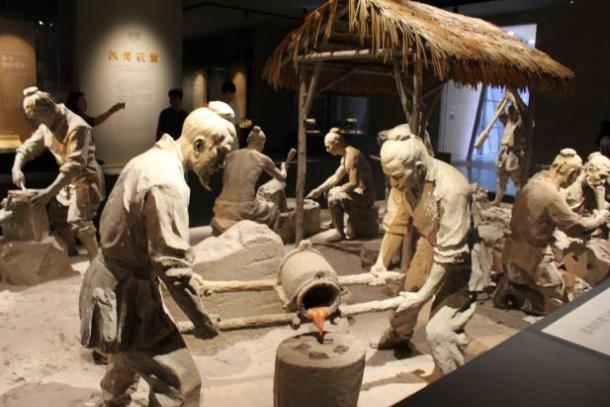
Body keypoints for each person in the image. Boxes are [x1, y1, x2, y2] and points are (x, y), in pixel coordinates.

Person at [79, 107, 235, 406]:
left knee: (126, 359)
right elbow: (170, 266)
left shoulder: (150, 159)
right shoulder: (168, 184)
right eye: (221, 154)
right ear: (199, 144)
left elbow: (144, 241)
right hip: (125, 292)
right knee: (181, 384)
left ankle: (113, 401)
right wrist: (200, 320)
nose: (222, 164)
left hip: (110, 278)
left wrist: (185, 276)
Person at [370, 127, 475, 377]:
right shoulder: (404, 182)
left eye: (397, 177)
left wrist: (422, 297)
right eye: (389, 177)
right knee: (405, 296)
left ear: (418, 169)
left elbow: (450, 253)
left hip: (462, 259)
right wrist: (381, 262)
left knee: (440, 330)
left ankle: (449, 378)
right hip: (432, 244)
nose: (393, 184)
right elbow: (397, 223)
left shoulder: (451, 190)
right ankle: (399, 335)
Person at [497, 148, 608, 315]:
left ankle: (516, 286)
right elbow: (575, 227)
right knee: (560, 299)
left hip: (515, 245)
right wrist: (599, 219)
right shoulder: (550, 194)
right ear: (572, 174)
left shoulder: (537, 178)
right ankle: (520, 297)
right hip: (532, 253)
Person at [12, 87, 104, 260]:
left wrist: (49, 192)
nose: (36, 122)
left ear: (48, 110)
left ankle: (96, 260)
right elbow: (28, 148)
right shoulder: (47, 123)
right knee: (58, 217)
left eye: (37, 118)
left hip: (85, 178)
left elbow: (74, 165)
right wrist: (16, 168)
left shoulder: (78, 126)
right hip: (66, 179)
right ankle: (71, 253)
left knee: (78, 221)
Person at [211, 125, 286, 235]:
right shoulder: (262, 158)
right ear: (262, 143)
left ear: (248, 140)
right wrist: (284, 168)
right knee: (273, 208)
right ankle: (268, 239)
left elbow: (225, 181)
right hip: (244, 208)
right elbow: (282, 178)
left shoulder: (231, 156)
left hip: (221, 205)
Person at [306, 128, 377, 241]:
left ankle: (340, 233)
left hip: (366, 195)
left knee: (334, 199)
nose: (327, 150)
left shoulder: (352, 156)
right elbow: (336, 177)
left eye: (328, 146)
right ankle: (335, 223)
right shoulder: (345, 156)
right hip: (359, 191)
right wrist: (318, 190)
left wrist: (338, 190)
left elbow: (353, 183)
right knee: (329, 190)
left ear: (336, 143)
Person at [475, 88, 530, 205]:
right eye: (509, 112)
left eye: (512, 111)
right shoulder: (508, 122)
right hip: (504, 153)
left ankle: (518, 204)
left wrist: (514, 98)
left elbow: (523, 111)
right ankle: (497, 201)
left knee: (517, 181)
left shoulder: (521, 123)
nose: (509, 113)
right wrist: (505, 98)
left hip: (515, 154)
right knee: (501, 179)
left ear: (516, 113)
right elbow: (499, 112)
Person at [220, 81, 241, 150]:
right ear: (223, 94)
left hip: (233, 141)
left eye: (232, 96)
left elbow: (237, 126)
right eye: (228, 96)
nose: (230, 98)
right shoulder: (216, 106)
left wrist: (238, 141)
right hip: (221, 140)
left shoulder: (235, 107)